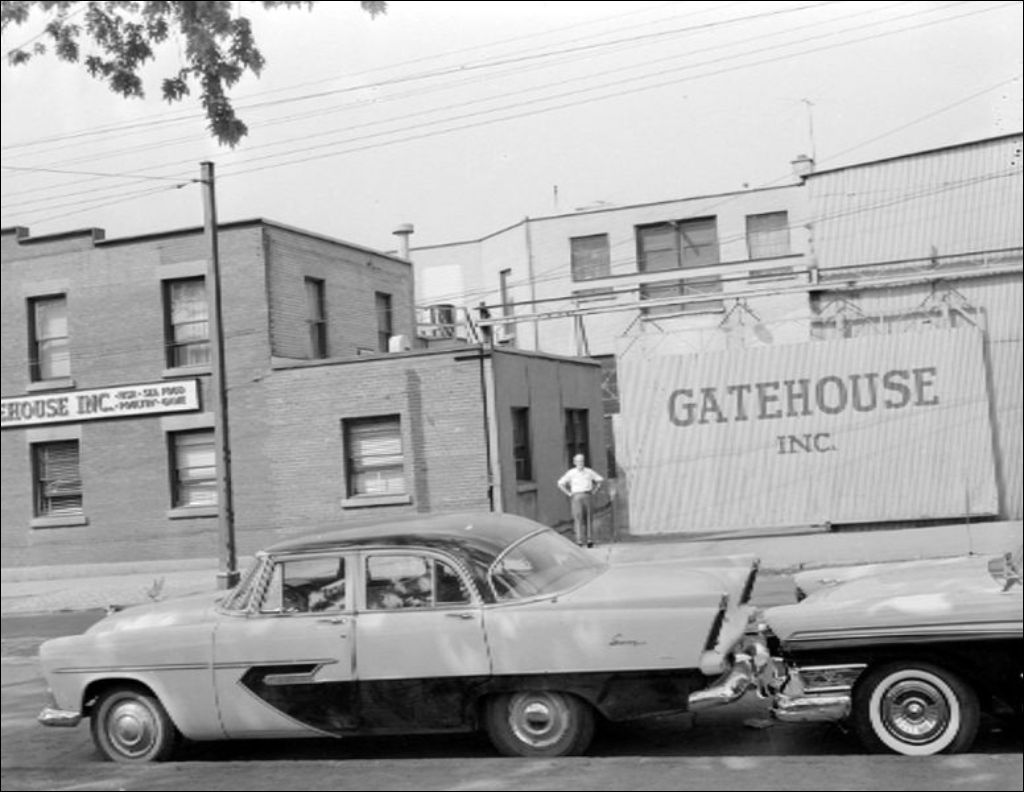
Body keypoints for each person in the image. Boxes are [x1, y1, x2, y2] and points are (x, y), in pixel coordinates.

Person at [557, 454, 604, 547]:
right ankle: (579, 540)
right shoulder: (571, 473)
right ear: (574, 462)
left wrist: (595, 490)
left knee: (589, 518)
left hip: (587, 495)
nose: (580, 463)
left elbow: (600, 480)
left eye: (582, 461)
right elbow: (560, 483)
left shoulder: (589, 471)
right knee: (578, 518)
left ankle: (590, 540)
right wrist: (569, 493)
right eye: (578, 461)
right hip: (576, 496)